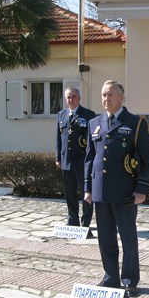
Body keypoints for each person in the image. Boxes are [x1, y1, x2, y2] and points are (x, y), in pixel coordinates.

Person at [84, 80, 149, 298]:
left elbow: (147, 159)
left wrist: (141, 189)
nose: (106, 99)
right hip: (100, 191)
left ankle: (130, 279)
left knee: (128, 237)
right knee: (105, 237)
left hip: (125, 192)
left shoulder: (135, 123)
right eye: (104, 95)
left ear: (122, 98)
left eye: (111, 95)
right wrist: (87, 188)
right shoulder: (94, 123)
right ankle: (110, 277)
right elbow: (89, 159)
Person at [56, 86, 96, 231]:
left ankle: (85, 222)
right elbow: (59, 139)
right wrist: (58, 157)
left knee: (86, 193)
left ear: (79, 98)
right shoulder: (61, 115)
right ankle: (72, 220)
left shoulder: (88, 115)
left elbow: (92, 141)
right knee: (69, 193)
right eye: (68, 97)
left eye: (73, 96)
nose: (71, 99)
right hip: (66, 161)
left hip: (83, 161)